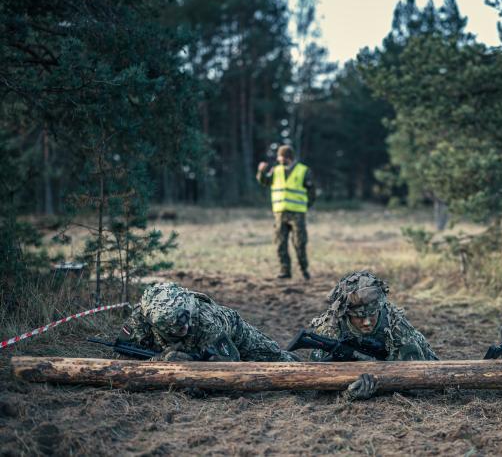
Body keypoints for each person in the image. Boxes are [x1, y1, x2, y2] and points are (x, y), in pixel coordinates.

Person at [309, 270, 439, 400]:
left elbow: (415, 379)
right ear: (346, 314)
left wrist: (378, 387)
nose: (366, 322)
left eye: (372, 314)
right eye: (358, 316)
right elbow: (315, 383)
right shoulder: (331, 328)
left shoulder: (396, 325)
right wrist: (348, 394)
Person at [119, 282, 298, 362]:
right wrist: (157, 359)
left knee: (276, 357)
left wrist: (191, 364)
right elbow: (123, 349)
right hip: (187, 343)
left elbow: (231, 363)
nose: (185, 328)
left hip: (234, 331)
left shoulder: (207, 323)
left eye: (185, 323)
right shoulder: (140, 318)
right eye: (178, 329)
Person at [257, 145, 315, 280]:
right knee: (280, 243)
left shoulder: (303, 171)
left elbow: (311, 192)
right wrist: (261, 172)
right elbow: (265, 182)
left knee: (299, 243)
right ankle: (285, 271)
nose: (278, 159)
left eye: (280, 156)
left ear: (287, 157)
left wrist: (306, 206)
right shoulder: (275, 170)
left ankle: (304, 269)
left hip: (297, 214)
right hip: (280, 214)